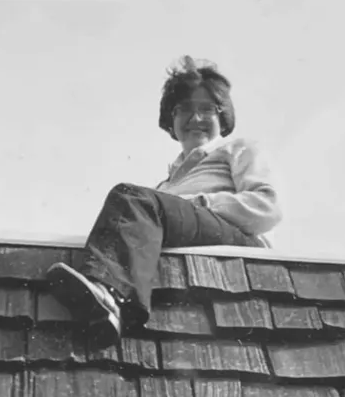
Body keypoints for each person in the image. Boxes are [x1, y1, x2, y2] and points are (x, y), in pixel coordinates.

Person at [46, 56, 283, 343]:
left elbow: (267, 207)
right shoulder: (166, 185)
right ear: (171, 120)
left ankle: (109, 291)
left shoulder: (238, 148)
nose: (195, 119)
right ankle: (109, 309)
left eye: (207, 109)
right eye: (184, 109)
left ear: (223, 117)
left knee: (133, 199)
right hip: (190, 235)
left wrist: (204, 203)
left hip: (239, 242)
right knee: (135, 208)